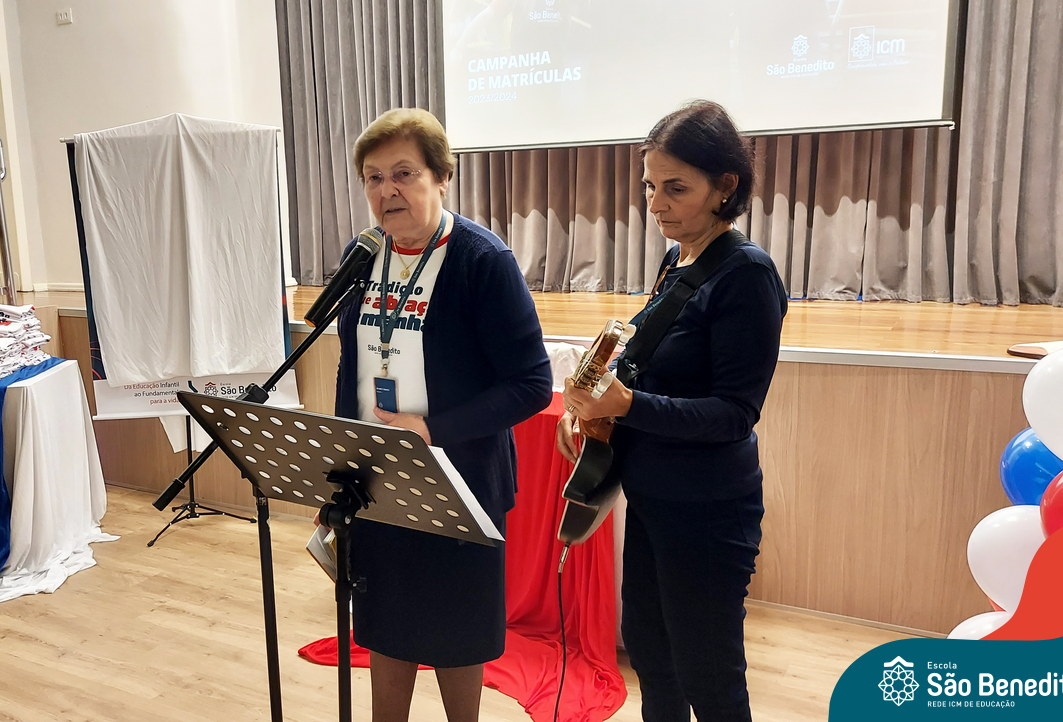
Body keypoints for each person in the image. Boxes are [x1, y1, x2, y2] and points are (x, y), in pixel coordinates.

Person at [557, 100, 787, 722]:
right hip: (653, 498)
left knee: (709, 681)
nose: (656, 204)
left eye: (675, 188)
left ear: (725, 186)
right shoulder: (677, 258)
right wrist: (593, 412)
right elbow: (649, 368)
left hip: (708, 512)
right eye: (649, 186)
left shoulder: (746, 274)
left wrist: (628, 403)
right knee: (654, 663)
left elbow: (734, 414)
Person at [330, 107, 552, 722]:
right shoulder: (362, 256)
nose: (387, 191)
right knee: (385, 625)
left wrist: (431, 431)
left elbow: (532, 384)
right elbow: (352, 364)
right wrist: (341, 463)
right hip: (377, 480)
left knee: (459, 633)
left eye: (404, 173)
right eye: (374, 178)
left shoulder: (482, 260)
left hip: (461, 482)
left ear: (441, 178)